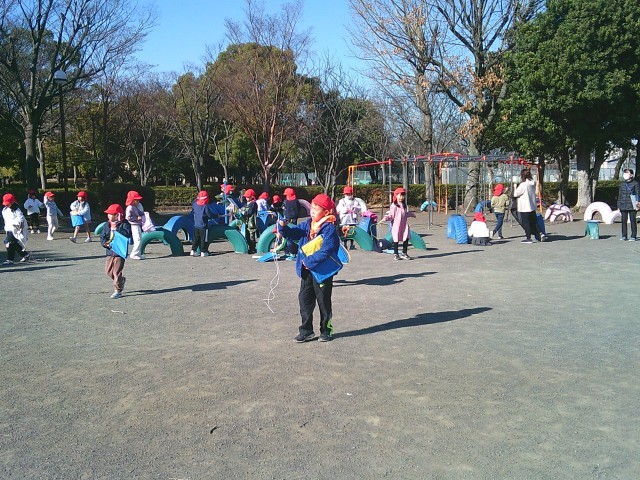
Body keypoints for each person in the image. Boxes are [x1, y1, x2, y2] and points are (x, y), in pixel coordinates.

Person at [276, 193, 340, 343]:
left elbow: (327, 250)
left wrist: (309, 261)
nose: (312, 211)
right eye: (312, 208)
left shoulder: (329, 228)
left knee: (323, 302)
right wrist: (283, 227)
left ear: (326, 212)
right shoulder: (307, 224)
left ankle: (326, 330)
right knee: (304, 300)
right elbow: (293, 233)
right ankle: (306, 330)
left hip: (322, 272)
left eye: (317, 209)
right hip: (307, 271)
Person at [99, 204, 132, 299]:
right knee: (108, 271)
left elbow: (127, 234)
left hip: (120, 252)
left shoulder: (125, 224)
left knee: (116, 272)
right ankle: (121, 281)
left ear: (118, 215)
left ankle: (117, 290)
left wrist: (116, 228)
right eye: (108, 214)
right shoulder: (107, 225)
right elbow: (103, 236)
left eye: (111, 214)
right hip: (110, 251)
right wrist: (104, 243)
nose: (109, 216)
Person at [513, 169, 546, 244]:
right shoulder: (532, 183)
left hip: (524, 207)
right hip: (532, 206)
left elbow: (516, 194)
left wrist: (515, 187)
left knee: (526, 223)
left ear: (522, 176)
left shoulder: (523, 185)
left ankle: (528, 238)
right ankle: (541, 233)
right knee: (534, 221)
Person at [383, 187, 416, 260]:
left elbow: (405, 214)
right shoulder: (394, 206)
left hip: (404, 225)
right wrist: (386, 218)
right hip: (397, 226)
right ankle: (396, 254)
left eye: (403, 196)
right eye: (400, 195)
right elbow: (391, 215)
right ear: (396, 195)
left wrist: (411, 214)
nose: (401, 197)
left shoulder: (404, 205)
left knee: (406, 238)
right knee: (396, 239)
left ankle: (404, 253)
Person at [2, 193, 30, 265]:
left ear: (12, 202)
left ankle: (10, 259)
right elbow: (5, 220)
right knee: (12, 243)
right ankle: (24, 254)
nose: (6, 205)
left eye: (8, 203)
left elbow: (21, 219)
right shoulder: (4, 210)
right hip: (9, 229)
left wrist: (20, 228)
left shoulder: (17, 210)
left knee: (9, 243)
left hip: (16, 229)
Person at [617, 168, 640, 241]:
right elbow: (620, 195)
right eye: (625, 173)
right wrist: (618, 205)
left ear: (631, 175)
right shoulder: (622, 184)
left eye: (627, 173)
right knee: (623, 221)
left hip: (632, 203)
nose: (625, 174)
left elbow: (637, 193)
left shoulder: (635, 183)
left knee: (633, 220)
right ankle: (624, 235)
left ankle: (633, 236)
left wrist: (637, 203)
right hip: (623, 203)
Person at [336, 186, 361, 250]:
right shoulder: (342, 201)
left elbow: (359, 208)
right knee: (345, 231)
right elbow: (338, 209)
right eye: (347, 194)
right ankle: (345, 244)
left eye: (349, 194)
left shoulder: (355, 201)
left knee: (352, 231)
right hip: (345, 219)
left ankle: (352, 244)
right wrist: (345, 209)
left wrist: (354, 209)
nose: (348, 195)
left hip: (352, 219)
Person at [190, 190, 214, 256]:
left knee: (196, 239)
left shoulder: (195, 204)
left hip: (196, 225)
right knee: (204, 239)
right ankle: (203, 251)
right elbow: (210, 215)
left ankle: (193, 250)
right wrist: (217, 215)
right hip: (203, 226)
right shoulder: (205, 206)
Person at [125, 190, 145, 260]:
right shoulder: (130, 207)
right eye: (137, 200)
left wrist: (143, 214)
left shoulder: (135, 207)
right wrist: (136, 218)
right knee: (138, 239)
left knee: (139, 239)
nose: (138, 202)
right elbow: (128, 217)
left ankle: (138, 253)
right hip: (134, 225)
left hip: (137, 224)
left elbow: (140, 212)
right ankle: (134, 254)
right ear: (132, 201)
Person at [282, 187, 300, 259]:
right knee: (293, 235)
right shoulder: (296, 201)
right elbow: (299, 209)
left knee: (287, 236)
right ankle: (293, 251)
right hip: (294, 219)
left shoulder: (286, 201)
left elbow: (283, 208)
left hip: (287, 219)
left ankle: (289, 252)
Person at [239, 188, 258, 254]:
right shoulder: (247, 203)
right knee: (247, 235)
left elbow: (250, 212)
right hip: (247, 221)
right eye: (246, 197)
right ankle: (249, 246)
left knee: (251, 234)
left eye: (248, 197)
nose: (246, 198)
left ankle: (253, 248)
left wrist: (244, 212)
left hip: (252, 221)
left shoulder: (253, 203)